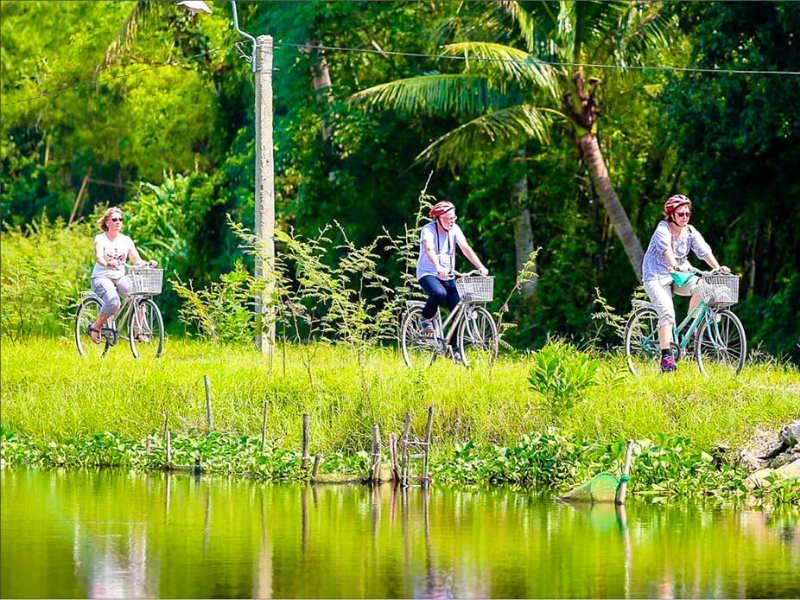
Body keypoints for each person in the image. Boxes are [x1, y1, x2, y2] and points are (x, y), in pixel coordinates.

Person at [642, 194, 729, 373]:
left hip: (679, 276)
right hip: (656, 276)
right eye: (681, 214)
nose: (685, 217)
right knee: (667, 313)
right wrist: (674, 265)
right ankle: (666, 357)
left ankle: (690, 326)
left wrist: (718, 268)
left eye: (688, 214)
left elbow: (704, 252)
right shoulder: (662, 229)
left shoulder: (690, 231)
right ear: (671, 215)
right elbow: (666, 250)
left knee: (705, 286)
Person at [415, 201, 489, 359]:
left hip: (448, 275)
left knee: (459, 310)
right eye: (449, 218)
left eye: (454, 217)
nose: (452, 221)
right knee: (438, 293)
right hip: (428, 273)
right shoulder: (428, 230)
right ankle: (425, 317)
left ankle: (454, 349)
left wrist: (480, 267)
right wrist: (438, 266)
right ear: (439, 218)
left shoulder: (455, 229)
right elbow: (429, 249)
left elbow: (466, 248)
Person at [88, 207, 157, 344]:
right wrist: (107, 264)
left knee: (138, 298)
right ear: (107, 222)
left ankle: (139, 333)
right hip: (102, 276)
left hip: (119, 277)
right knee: (114, 302)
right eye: (114, 219)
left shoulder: (126, 240)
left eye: (120, 219)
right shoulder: (100, 239)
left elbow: (136, 260)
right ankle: (96, 326)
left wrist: (147, 263)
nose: (118, 222)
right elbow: (99, 257)